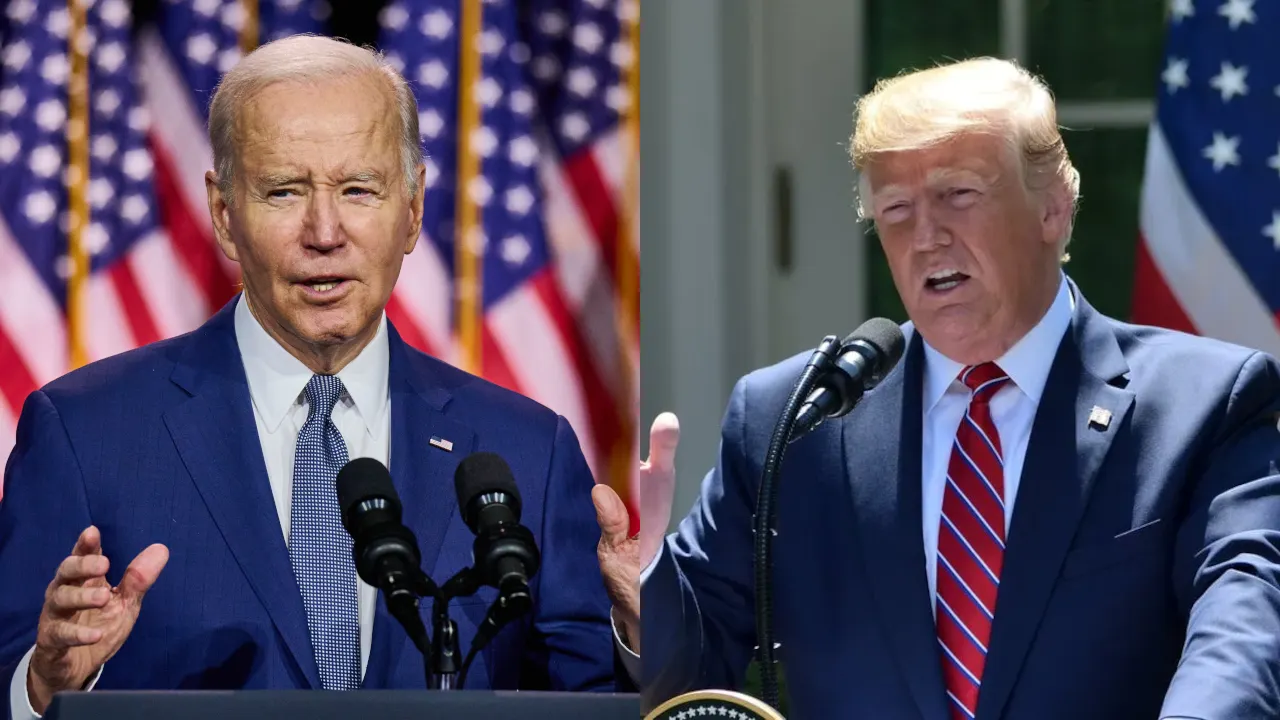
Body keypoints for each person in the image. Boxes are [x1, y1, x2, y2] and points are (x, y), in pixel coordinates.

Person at [0, 35, 640, 719]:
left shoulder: (526, 451)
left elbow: (588, 701)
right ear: (224, 214)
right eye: (284, 191)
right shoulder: (86, 434)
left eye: (359, 189)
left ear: (414, 207)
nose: (325, 231)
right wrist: (42, 685)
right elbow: (12, 672)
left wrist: (637, 636)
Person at [632, 57, 1280, 719]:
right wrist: (644, 574)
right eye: (896, 210)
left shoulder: (1203, 405)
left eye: (958, 195)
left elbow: (1240, 636)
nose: (926, 237)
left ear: (1053, 206)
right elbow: (690, 682)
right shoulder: (793, 421)